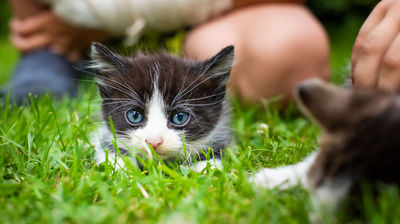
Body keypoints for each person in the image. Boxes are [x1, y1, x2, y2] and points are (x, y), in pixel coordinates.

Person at [5, 0, 330, 104]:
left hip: (222, 11)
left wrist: (111, 21)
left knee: (290, 55)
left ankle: (185, 46)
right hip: (66, 12)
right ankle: (49, 52)